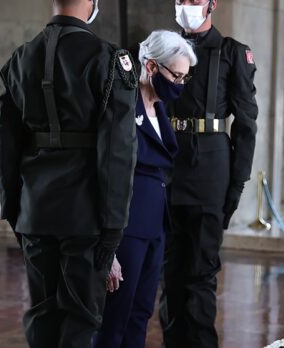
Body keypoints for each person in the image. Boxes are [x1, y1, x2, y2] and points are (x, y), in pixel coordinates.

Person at [0, 0, 138, 347]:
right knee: (80, 319)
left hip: (35, 210)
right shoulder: (107, 58)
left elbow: (7, 144)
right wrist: (113, 226)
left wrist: (13, 209)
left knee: (43, 316)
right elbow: (117, 152)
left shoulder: (21, 57)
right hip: (85, 214)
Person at [161, 1, 258, 347]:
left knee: (200, 276)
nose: (186, 6)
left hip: (210, 171)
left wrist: (237, 183)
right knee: (170, 275)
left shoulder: (232, 53)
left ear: (212, 4)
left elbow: (246, 126)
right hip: (167, 167)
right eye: (180, 0)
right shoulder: (162, 48)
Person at [94, 30, 197, 348]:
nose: (179, 84)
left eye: (184, 78)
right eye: (176, 75)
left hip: (154, 228)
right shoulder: (123, 105)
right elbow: (103, 171)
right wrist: (107, 247)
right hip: (126, 228)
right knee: (114, 318)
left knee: (140, 315)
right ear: (151, 66)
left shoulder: (160, 108)